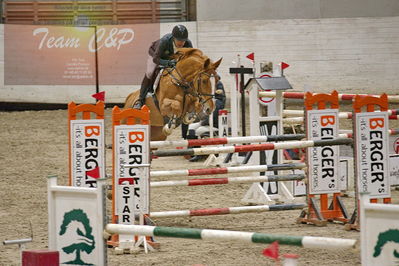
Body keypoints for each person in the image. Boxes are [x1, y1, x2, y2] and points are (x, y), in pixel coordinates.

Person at [133, 25, 193, 109]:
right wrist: (167, 63)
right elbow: (156, 59)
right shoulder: (165, 41)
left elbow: (190, 59)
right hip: (156, 54)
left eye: (183, 41)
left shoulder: (188, 44)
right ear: (173, 38)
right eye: (179, 40)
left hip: (172, 58)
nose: (181, 43)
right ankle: (140, 100)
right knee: (150, 72)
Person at [188, 79, 226, 162]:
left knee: (198, 130)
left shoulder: (217, 103)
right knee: (191, 127)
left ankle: (199, 154)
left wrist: (202, 122)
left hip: (214, 124)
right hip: (205, 122)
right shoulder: (205, 100)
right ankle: (192, 150)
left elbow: (213, 117)